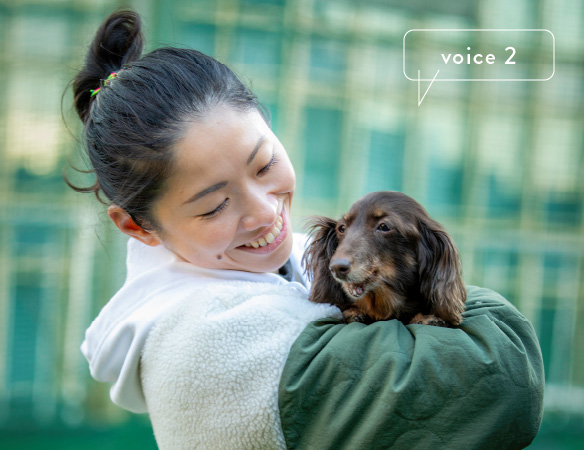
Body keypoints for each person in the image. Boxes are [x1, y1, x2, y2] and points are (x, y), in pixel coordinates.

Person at [71, 10, 544, 450]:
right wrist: (437, 269)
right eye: (215, 206)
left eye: (264, 164)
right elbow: (503, 380)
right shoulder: (210, 338)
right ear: (138, 226)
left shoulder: (284, 263)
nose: (263, 213)